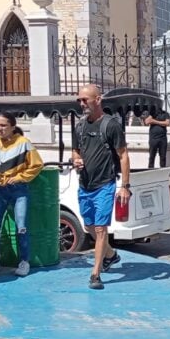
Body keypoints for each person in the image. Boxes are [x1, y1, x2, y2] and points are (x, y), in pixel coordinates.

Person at [72, 85, 131, 290]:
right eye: (79, 100)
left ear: (98, 99)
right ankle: (111, 255)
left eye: (85, 100)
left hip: (105, 184)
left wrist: (125, 186)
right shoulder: (79, 127)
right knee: (88, 227)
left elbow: (123, 155)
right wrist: (76, 159)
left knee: (100, 228)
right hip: (85, 185)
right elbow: (75, 151)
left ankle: (95, 274)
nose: (81, 104)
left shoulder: (110, 125)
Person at [0, 112, 44, 277]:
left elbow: (37, 165)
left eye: (3, 125)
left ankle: (24, 261)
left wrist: (19, 177)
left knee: (21, 226)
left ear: (12, 127)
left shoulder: (24, 143)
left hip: (19, 190)